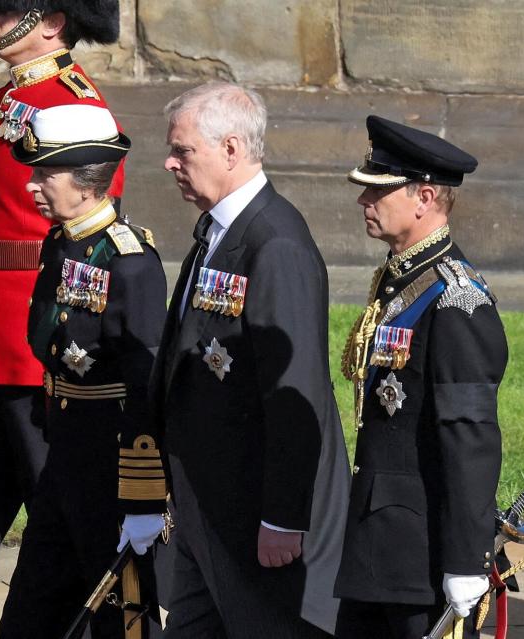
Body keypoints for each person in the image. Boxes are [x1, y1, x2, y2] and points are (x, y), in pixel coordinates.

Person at [0, 0, 127, 616]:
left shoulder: (76, 103)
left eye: (6, 11)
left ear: (51, 21)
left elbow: (90, 234)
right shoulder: (8, 98)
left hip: (37, 341)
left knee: (60, 517)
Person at [149, 81, 350, 638]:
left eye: (182, 150)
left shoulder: (275, 243)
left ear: (231, 149)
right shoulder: (218, 232)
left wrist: (283, 518)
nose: (169, 162)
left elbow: (296, 388)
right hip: (204, 505)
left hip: (252, 515)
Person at [0, 104, 166, 639]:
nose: (32, 186)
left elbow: (146, 384)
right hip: (63, 453)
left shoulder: (130, 261)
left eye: (45, 174)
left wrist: (143, 500)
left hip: (111, 466)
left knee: (120, 618)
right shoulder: (60, 242)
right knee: (31, 612)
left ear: (89, 182)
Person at [334, 116, 507, 639]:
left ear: (424, 196)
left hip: (423, 554)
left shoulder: (457, 301)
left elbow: (469, 438)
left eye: (378, 192)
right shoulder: (398, 279)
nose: (364, 202)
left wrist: (465, 560)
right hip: (377, 542)